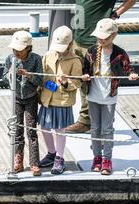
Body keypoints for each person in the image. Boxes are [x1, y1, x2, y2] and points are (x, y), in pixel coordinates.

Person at [65, 0, 137, 133]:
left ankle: (102, 126)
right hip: (79, 39)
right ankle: (87, 120)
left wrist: (116, 14)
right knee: (83, 82)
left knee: (99, 84)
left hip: (96, 41)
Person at [82, 19, 138, 175]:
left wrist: (131, 74)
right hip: (93, 95)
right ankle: (96, 158)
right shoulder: (91, 51)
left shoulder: (119, 53)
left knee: (107, 129)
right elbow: (85, 67)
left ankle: (107, 159)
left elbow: (128, 68)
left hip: (109, 96)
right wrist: (85, 75)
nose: (100, 40)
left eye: (104, 37)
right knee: (95, 128)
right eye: (99, 37)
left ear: (113, 35)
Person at [38, 26, 82, 175]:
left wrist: (64, 83)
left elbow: (77, 82)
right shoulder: (48, 56)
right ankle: (51, 153)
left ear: (70, 44)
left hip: (62, 100)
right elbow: (42, 74)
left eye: (62, 48)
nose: (59, 50)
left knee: (59, 130)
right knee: (44, 127)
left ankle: (59, 158)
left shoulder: (75, 60)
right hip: (47, 98)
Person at [3, 31, 43, 176]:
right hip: (16, 98)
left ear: (28, 48)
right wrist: (11, 75)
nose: (16, 52)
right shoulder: (10, 59)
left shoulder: (37, 59)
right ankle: (18, 160)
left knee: (31, 131)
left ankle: (34, 163)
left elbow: (40, 81)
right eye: (14, 49)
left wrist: (28, 75)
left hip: (31, 98)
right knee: (17, 130)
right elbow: (3, 77)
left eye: (19, 49)